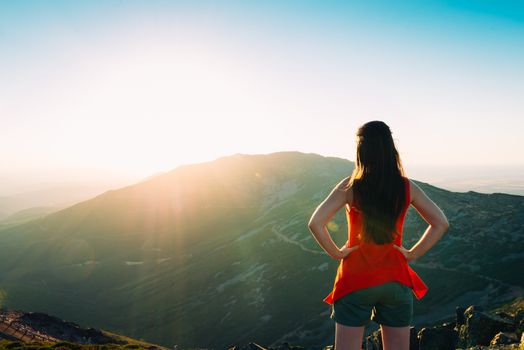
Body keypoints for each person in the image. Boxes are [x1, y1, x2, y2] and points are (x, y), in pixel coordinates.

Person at [307, 121, 449, 350]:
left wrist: (337, 253)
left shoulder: (350, 186)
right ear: (390, 149)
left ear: (361, 151)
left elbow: (316, 223)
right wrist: (412, 254)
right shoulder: (406, 187)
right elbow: (440, 223)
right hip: (396, 279)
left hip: (355, 280)